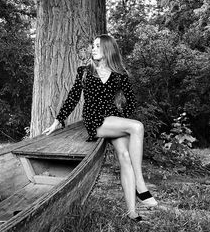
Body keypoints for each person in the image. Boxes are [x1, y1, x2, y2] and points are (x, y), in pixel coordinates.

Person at [43, 34, 158, 222]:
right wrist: (58, 121)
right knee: (137, 127)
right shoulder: (85, 71)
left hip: (112, 120)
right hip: (94, 121)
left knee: (126, 157)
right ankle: (141, 185)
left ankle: (132, 212)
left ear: (108, 49)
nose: (93, 49)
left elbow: (131, 102)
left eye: (98, 46)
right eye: (93, 46)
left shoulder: (120, 74)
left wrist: (120, 118)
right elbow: (73, 98)